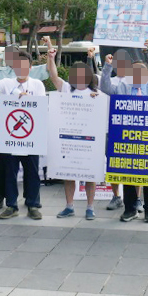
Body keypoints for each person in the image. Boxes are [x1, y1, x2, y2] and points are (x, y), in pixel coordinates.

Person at [100, 52, 148, 223]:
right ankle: (130, 209)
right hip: (128, 139)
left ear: (147, 75)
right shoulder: (122, 89)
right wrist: (107, 66)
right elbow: (105, 88)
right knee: (128, 174)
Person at [0, 51, 46, 220]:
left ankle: (33, 204)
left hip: (30, 137)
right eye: (18, 65)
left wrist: (28, 100)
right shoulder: (6, 83)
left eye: (25, 65)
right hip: (9, 137)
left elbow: (40, 108)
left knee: (32, 172)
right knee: (10, 171)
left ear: (31, 67)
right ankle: (12, 205)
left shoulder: (37, 85)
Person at [45, 39, 101, 220]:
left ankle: (90, 207)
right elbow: (53, 75)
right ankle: (69, 206)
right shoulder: (67, 89)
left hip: (88, 143)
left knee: (90, 174)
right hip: (69, 141)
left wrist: (96, 100)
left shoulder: (95, 93)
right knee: (69, 174)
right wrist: (51, 57)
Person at [103, 48, 142, 212]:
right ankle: (116, 196)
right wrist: (107, 66)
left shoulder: (138, 81)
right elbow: (104, 88)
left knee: (137, 164)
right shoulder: (112, 81)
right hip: (115, 129)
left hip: (136, 130)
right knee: (114, 163)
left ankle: (137, 198)